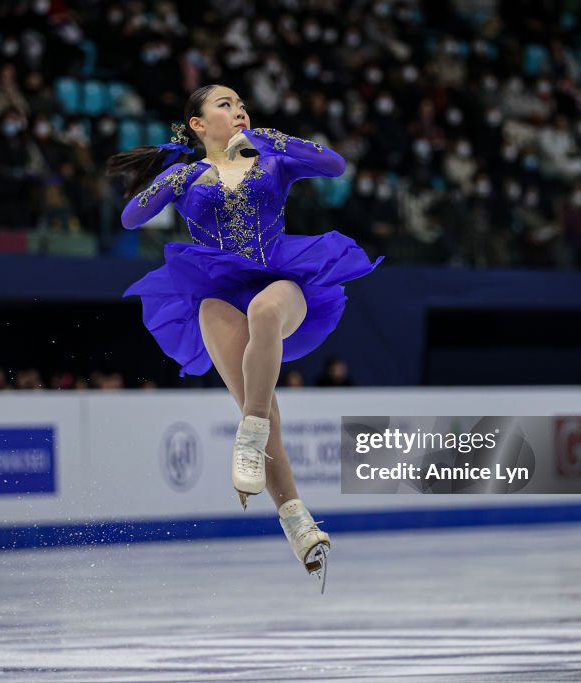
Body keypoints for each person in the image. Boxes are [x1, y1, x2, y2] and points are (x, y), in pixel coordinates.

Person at [108, 85, 383, 591]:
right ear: (197, 124)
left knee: (264, 313)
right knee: (259, 397)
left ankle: (249, 437)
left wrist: (269, 139)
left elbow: (335, 164)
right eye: (224, 105)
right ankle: (296, 521)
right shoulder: (188, 175)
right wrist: (174, 175)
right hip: (218, 295)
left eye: (241, 105)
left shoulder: (273, 161)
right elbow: (130, 218)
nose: (238, 110)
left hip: (286, 282)